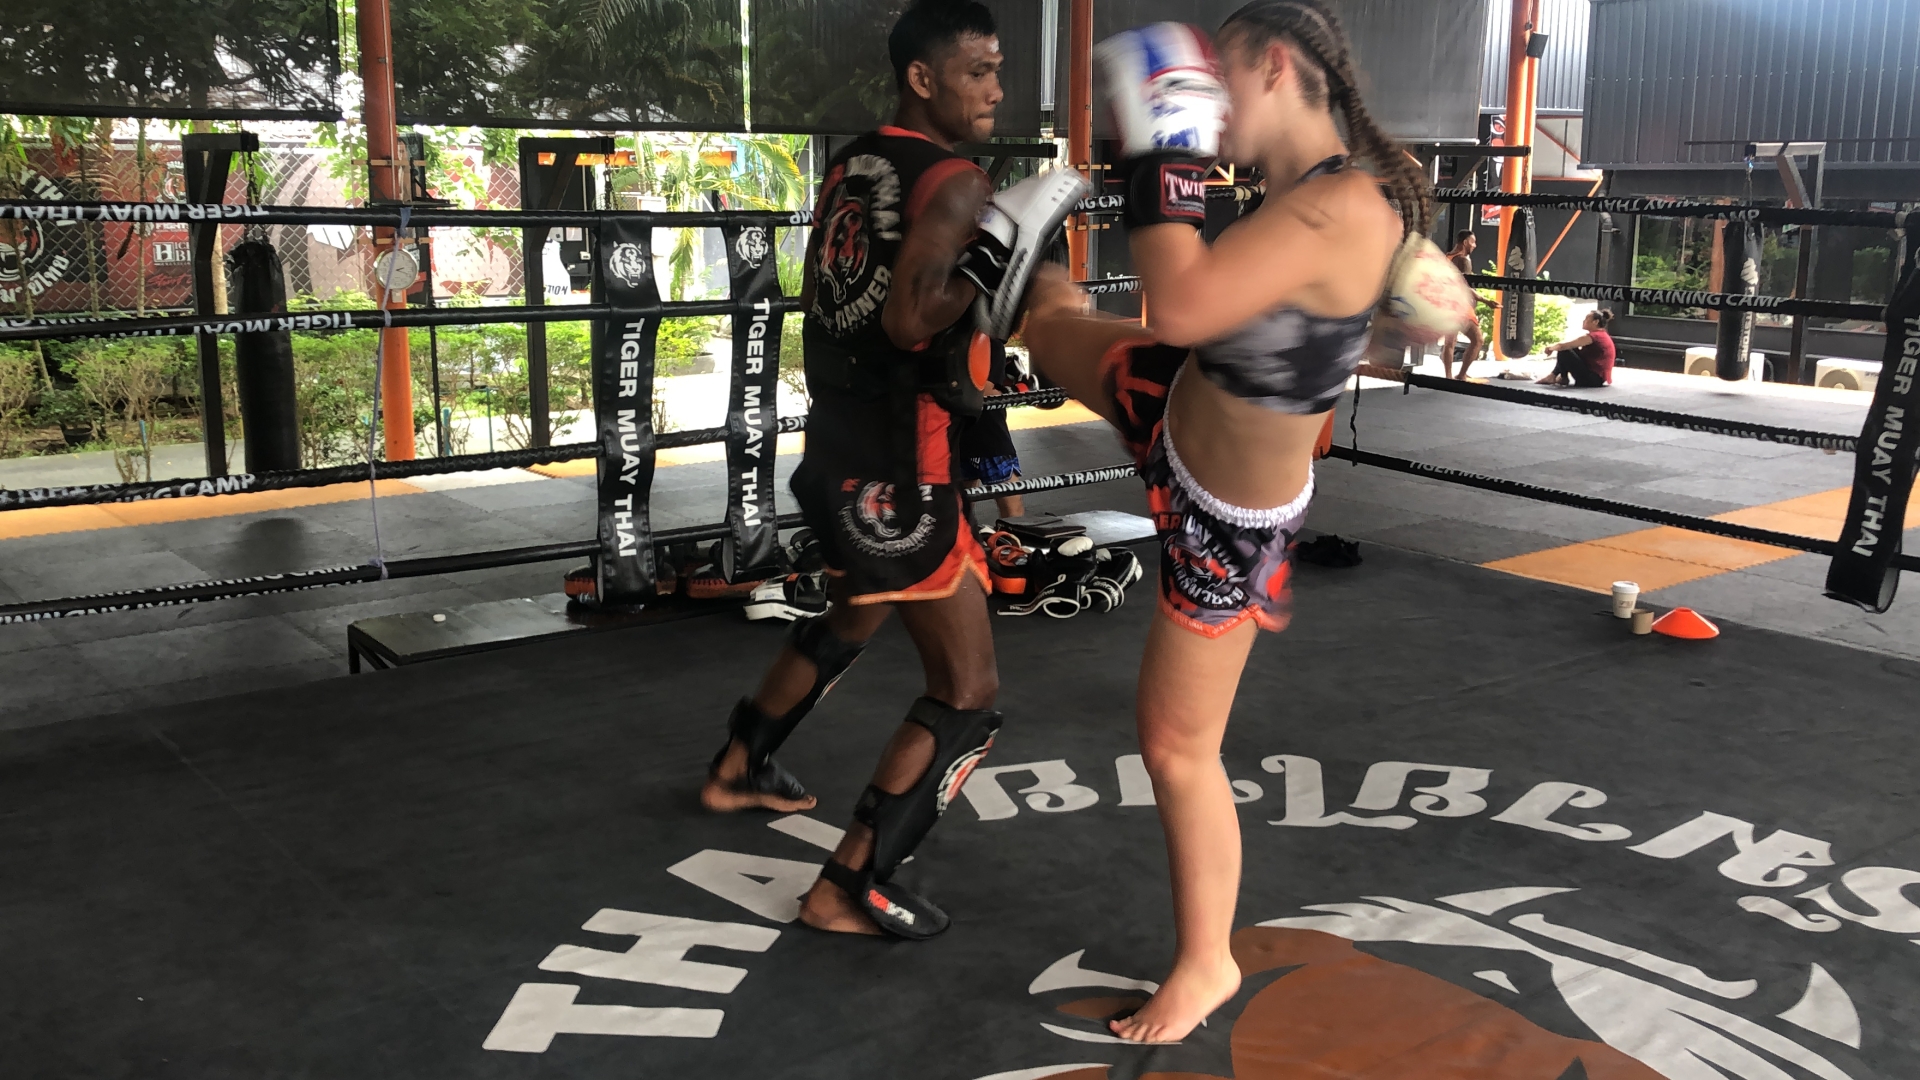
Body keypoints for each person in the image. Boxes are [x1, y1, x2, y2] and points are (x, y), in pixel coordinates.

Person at [1013, 4, 1443, 1043]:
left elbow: (1181, 304)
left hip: (1225, 521)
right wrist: (1414, 300)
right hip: (1168, 400)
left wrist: (1160, 153)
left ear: (1277, 67)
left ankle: (1207, 964)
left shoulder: (1341, 203)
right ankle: (1000, 268)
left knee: (1175, 747)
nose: (1208, 101)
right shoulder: (1308, 196)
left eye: (1221, 77)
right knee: (1048, 318)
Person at [699, 0, 1085, 941]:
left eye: (999, 70)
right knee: (968, 690)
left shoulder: (857, 161)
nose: (995, 89)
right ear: (923, 77)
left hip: (840, 443)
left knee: (854, 611)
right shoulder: (952, 181)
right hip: (902, 469)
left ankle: (740, 766)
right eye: (978, 71)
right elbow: (912, 320)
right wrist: (997, 251)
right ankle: (849, 884)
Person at [958, 336, 1027, 519]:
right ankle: (1013, 540)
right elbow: (983, 389)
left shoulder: (951, 342)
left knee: (962, 512)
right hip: (991, 437)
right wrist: (1022, 388)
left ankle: (965, 539)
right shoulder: (991, 344)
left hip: (959, 435)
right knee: (1013, 511)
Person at [1443, 229, 1489, 379]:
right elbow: (1465, 286)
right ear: (1465, 242)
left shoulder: (1447, 257)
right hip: (1460, 306)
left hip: (1448, 303)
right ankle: (1461, 375)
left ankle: (1449, 377)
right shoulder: (1463, 260)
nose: (1475, 245)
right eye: (1473, 242)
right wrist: (1485, 300)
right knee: (1477, 340)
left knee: (1450, 342)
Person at [1535, 308, 1617, 387]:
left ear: (1595, 322)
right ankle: (1562, 377)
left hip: (1593, 379)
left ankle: (1554, 376)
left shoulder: (1595, 336)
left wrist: (1550, 348)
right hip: (1596, 378)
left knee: (1564, 350)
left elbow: (1563, 346)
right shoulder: (1601, 334)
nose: (1583, 321)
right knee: (1570, 349)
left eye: (1586, 319)